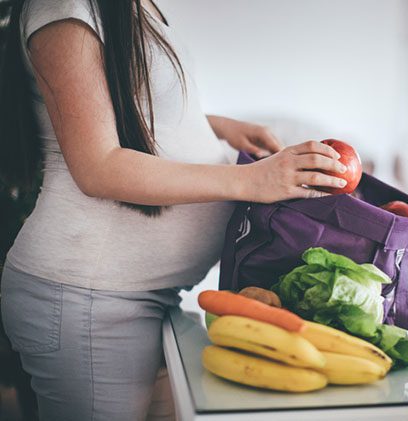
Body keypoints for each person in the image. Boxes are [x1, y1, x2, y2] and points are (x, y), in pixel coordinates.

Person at [0, 0, 348, 419]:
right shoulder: (63, 9)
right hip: (89, 298)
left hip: (140, 295)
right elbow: (98, 166)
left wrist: (217, 126)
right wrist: (253, 181)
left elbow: (126, 102)